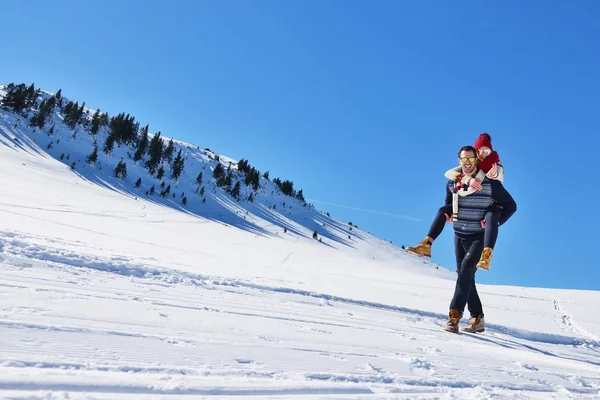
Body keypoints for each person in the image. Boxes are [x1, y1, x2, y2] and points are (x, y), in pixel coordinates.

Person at [443, 145, 516, 333]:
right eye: (464, 159)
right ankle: (477, 318)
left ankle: (454, 318)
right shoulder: (455, 182)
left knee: (466, 271)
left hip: (479, 237)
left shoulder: (490, 184)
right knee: (465, 276)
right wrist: (449, 214)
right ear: (459, 161)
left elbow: (511, 206)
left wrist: (496, 222)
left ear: (477, 160)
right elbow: (449, 203)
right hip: (459, 234)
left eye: (471, 159)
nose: (467, 162)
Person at [405, 133, 504, 270]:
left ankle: (487, 254)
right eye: (479, 151)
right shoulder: (470, 166)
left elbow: (498, 172)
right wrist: (468, 179)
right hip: (464, 211)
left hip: (490, 204)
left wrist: (494, 174)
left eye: (486, 151)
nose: (482, 154)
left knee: (491, 215)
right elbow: (449, 173)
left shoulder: (494, 164)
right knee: (442, 210)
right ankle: (426, 244)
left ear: (491, 152)